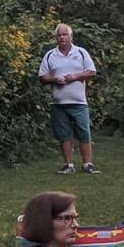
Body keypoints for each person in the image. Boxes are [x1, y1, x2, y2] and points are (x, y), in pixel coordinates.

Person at [38, 22, 99, 174]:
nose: (62, 37)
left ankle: (88, 165)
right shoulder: (50, 55)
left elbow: (91, 72)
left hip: (79, 102)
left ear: (71, 36)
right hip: (58, 103)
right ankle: (69, 165)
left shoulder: (81, 52)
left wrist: (75, 76)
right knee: (64, 135)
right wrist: (54, 79)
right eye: (59, 35)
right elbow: (42, 77)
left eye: (65, 34)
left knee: (84, 133)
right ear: (55, 38)